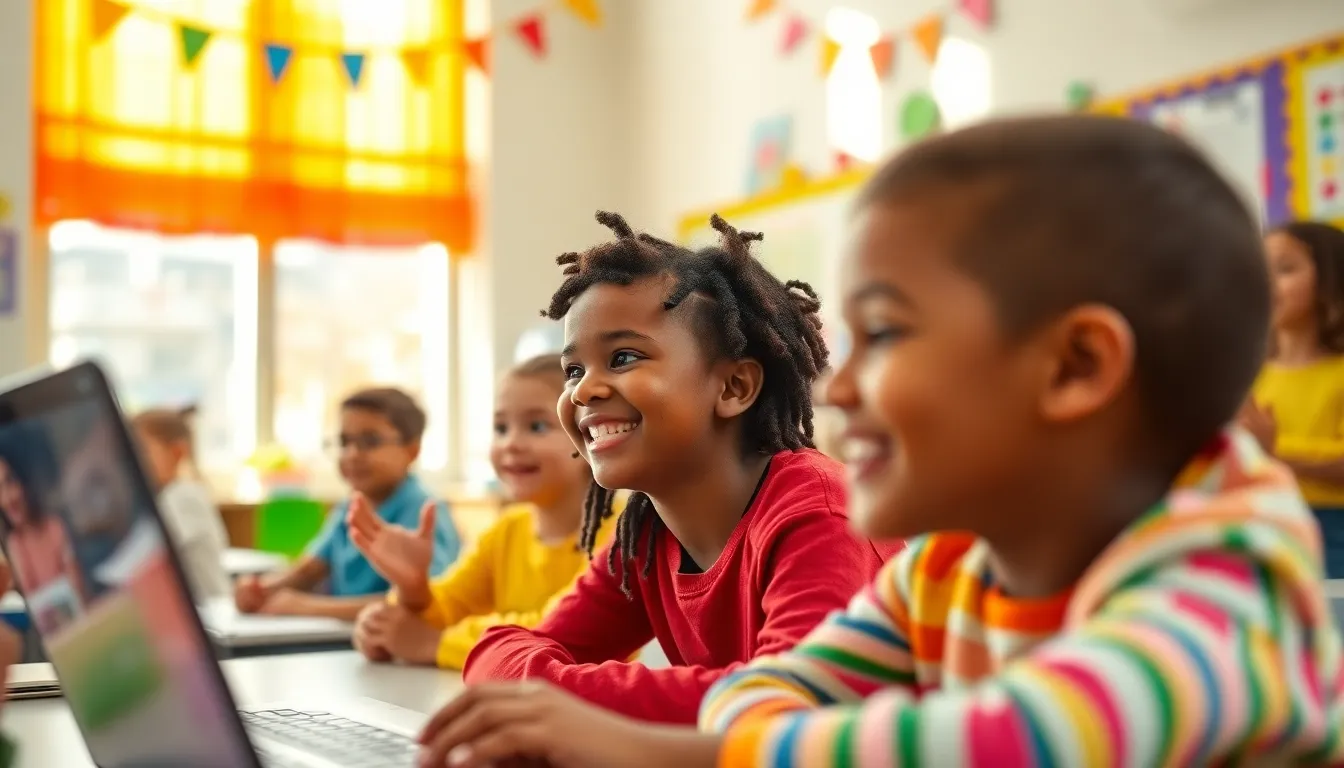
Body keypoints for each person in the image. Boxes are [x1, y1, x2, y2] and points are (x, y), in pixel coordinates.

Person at [412, 116, 1344, 767]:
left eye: (887, 335)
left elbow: (1027, 742)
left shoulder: (1222, 567)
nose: (841, 386)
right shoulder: (939, 574)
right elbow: (768, 693)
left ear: (1074, 368)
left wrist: (633, 745)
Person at [440, 211, 898, 729]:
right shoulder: (644, 534)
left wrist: (549, 696)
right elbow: (504, 650)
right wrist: (546, 692)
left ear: (733, 388)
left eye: (624, 357)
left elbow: (791, 708)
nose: (583, 390)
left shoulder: (818, 511)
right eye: (573, 369)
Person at [350, 354, 611, 668]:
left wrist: (437, 644)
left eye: (537, 426)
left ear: (590, 431)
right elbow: (446, 608)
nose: (511, 443)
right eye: (500, 428)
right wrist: (412, 591)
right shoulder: (506, 530)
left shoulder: (619, 535)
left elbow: (558, 631)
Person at [234, 387, 460, 621]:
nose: (351, 454)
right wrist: (263, 589)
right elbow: (309, 569)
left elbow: (426, 601)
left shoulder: (424, 512)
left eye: (370, 441)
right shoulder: (351, 506)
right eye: (344, 441)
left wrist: (307, 607)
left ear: (412, 450)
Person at [1241, 221, 1344, 576]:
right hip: (1264, 521)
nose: (1269, 284)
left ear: (1329, 283)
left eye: (1285, 269)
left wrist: (1277, 454)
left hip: (1332, 528)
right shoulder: (1250, 375)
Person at [133, 406, 230, 600]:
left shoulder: (184, 497)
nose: (133, 461)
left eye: (142, 451)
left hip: (211, 611)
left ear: (177, 453)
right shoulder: (163, 498)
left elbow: (146, 554)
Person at [0, 444, 82, 603]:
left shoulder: (55, 527)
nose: (7, 499)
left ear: (24, 482)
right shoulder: (12, 547)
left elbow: (78, 595)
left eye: (9, 482)